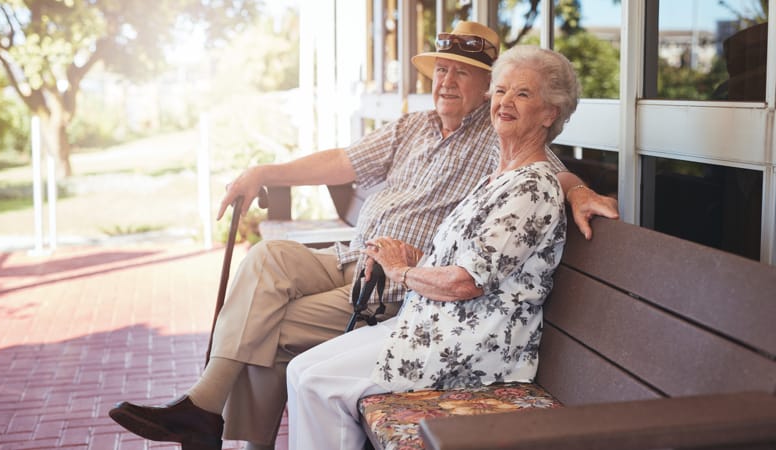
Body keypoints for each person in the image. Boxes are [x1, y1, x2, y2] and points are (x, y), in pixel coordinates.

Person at [109, 22, 616, 450]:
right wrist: (264, 171)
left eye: (463, 72)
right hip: (353, 253)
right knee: (267, 259)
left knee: (267, 329)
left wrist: (578, 192)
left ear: (484, 85)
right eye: (442, 68)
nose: (447, 80)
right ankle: (203, 407)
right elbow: (342, 161)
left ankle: (221, 426)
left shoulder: (496, 137)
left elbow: (547, 170)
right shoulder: (413, 127)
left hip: (393, 285)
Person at [286, 44, 577, 450]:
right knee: (300, 370)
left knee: (319, 384)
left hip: (471, 349)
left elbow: (465, 283)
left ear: (550, 113)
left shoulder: (531, 187)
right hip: (429, 327)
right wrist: (410, 257)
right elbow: (470, 263)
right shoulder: (499, 177)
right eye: (500, 91)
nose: (505, 102)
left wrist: (401, 272)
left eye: (522, 94)